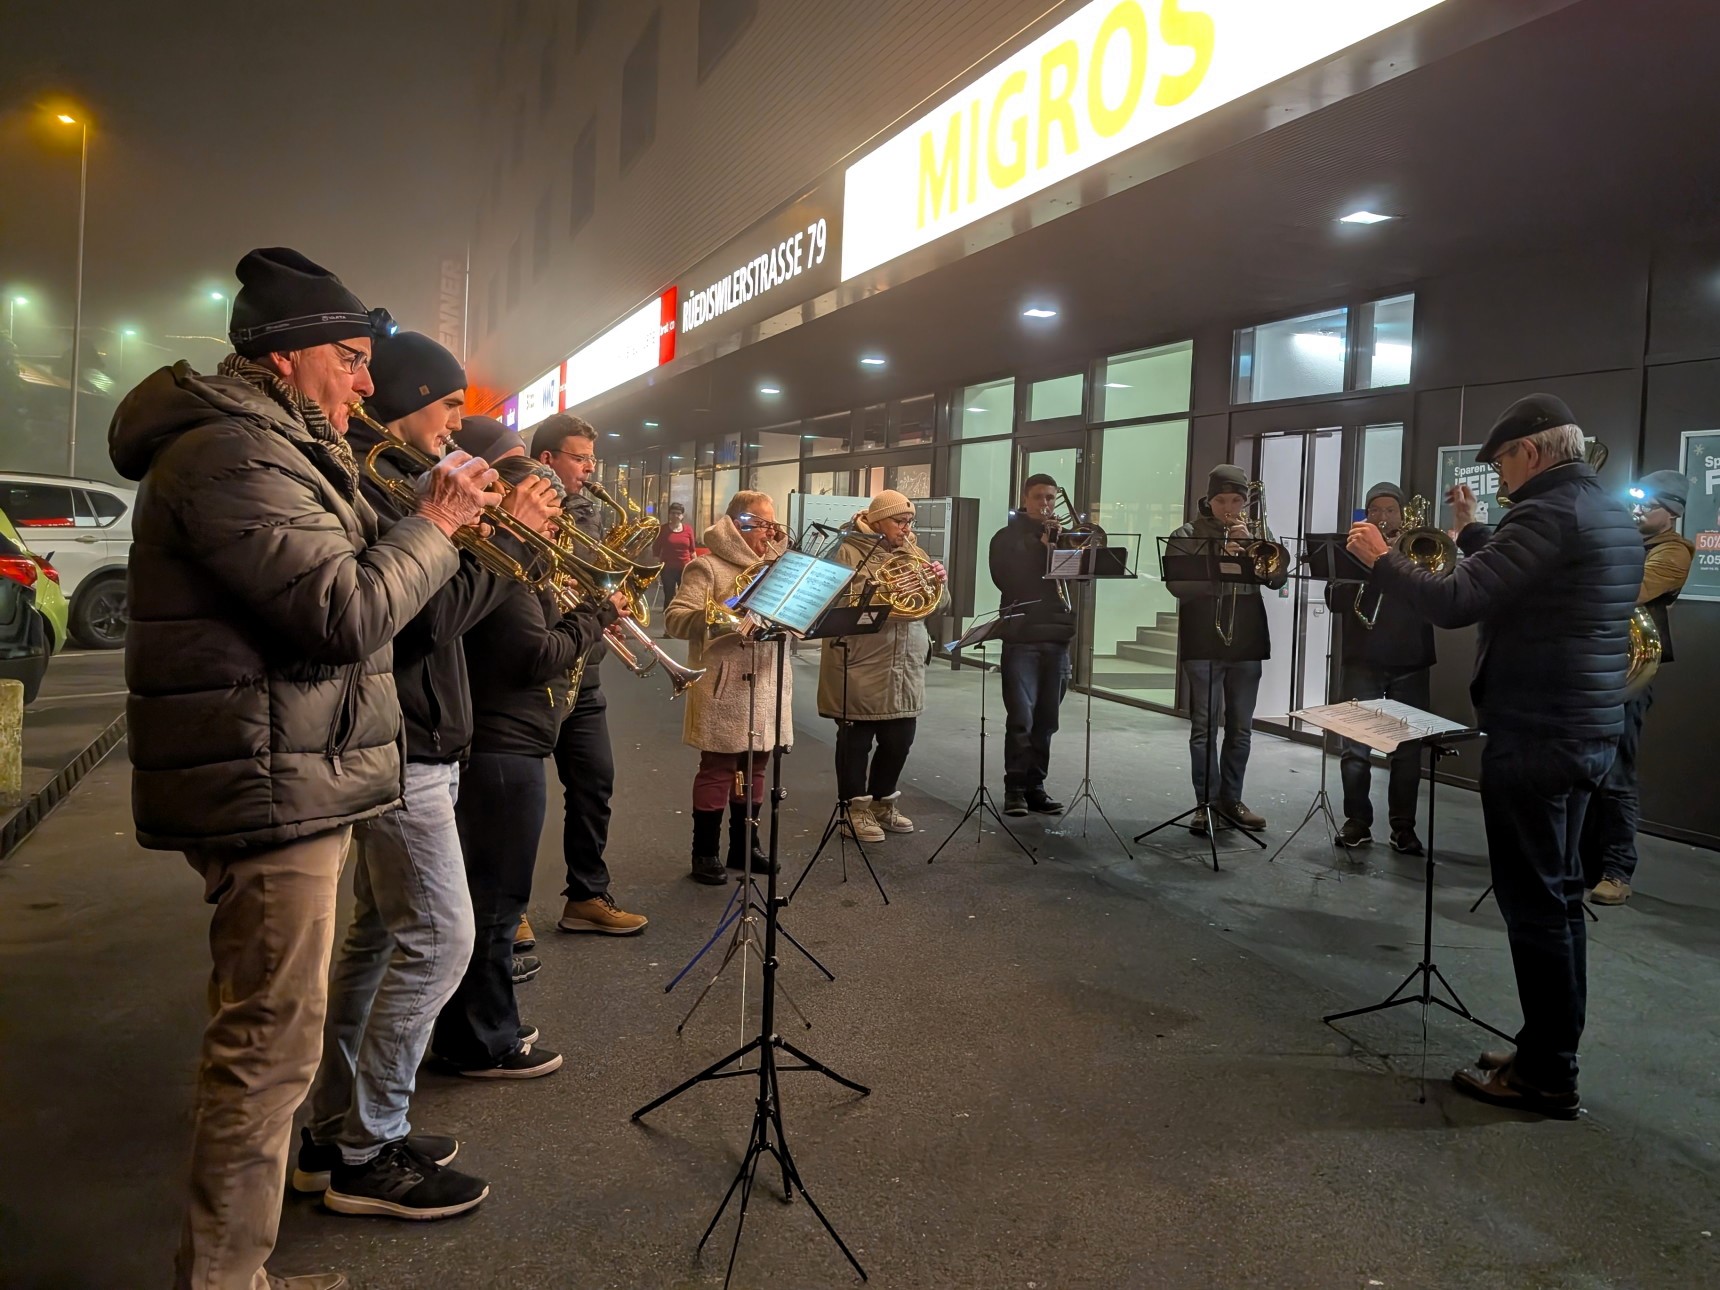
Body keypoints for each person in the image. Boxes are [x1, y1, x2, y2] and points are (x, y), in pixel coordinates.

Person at [109, 247, 498, 1289]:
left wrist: (432, 515)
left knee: (278, 1041)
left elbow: (369, 577)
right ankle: (226, 1278)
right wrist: (441, 520)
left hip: (292, 770)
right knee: (265, 1052)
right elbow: (343, 612)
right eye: (354, 360)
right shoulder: (232, 457)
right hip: (268, 782)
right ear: (289, 359)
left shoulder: (277, 446)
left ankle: (243, 1263)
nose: (368, 385)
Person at [293, 335, 562, 1220]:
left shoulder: (404, 478)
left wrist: (494, 537)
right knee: (440, 939)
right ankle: (369, 1148)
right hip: (403, 744)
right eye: (449, 407)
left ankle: (339, 1131)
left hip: (419, 739)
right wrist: (503, 537)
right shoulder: (384, 482)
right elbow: (423, 624)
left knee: (376, 944)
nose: (458, 423)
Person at [1347, 393, 1642, 1118]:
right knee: (1560, 899)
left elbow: (1456, 603)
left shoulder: (1544, 513)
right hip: (1586, 729)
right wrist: (1474, 531)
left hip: (1537, 733)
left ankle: (1546, 1077)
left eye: (1503, 461)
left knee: (1535, 907)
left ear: (1533, 451)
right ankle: (1546, 1050)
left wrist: (1383, 562)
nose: (1501, 476)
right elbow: (1528, 583)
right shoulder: (1601, 510)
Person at [430, 505, 626, 1077]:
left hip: (508, 742)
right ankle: (482, 1041)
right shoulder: (505, 569)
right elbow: (534, 657)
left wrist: (580, 616)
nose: (558, 518)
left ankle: (481, 1023)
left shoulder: (520, 568)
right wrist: (590, 619)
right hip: (501, 747)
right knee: (496, 902)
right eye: (545, 506)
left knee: (492, 900)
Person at [530, 412, 649, 935]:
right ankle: (504, 910)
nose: (589, 469)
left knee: (594, 785)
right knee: (518, 799)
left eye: (591, 459)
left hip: (586, 670)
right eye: (580, 458)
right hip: (536, 674)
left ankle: (587, 895)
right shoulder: (526, 507)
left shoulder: (590, 513)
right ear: (547, 460)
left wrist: (606, 613)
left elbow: (590, 579)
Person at [1579, 469, 1693, 904]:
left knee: (1618, 775)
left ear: (1673, 514)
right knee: (1588, 768)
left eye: (1650, 505)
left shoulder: (1673, 552)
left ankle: (1617, 871)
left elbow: (1630, 590)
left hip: (1630, 673)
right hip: (1599, 664)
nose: (1639, 510)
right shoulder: (1630, 542)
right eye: (1637, 502)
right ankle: (1585, 863)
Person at [666, 491, 790, 882]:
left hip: (768, 681)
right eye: (763, 524)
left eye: (773, 524)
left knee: (756, 767)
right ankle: (704, 852)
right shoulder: (707, 567)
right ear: (739, 524)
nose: (771, 533)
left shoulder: (781, 567)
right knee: (718, 768)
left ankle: (744, 847)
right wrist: (721, 617)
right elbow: (675, 619)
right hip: (724, 684)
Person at [816, 489, 949, 842]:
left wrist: (938, 582)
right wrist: (883, 589)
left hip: (904, 660)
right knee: (856, 740)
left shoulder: (913, 551)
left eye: (909, 522)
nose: (906, 528)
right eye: (899, 521)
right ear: (876, 520)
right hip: (862, 659)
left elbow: (935, 604)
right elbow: (834, 602)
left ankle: (882, 803)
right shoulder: (846, 549)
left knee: (900, 738)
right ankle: (853, 809)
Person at [1165, 464, 1286, 834]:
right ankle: (1204, 804)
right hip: (1203, 638)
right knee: (1204, 727)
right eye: (1222, 500)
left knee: (1241, 728)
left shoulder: (1259, 534)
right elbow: (1177, 586)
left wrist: (1251, 547)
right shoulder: (1186, 534)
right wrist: (1219, 561)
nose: (1229, 507)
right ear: (1209, 499)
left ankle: (1231, 801)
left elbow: (1277, 578)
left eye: (1237, 500)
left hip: (1247, 639)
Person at [1324, 482, 1436, 854]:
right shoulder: (1350, 548)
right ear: (1365, 515)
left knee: (1407, 750)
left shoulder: (1418, 551)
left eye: (1390, 511)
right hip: (1362, 658)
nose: (1383, 517)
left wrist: (1391, 563)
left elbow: (1436, 596)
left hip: (1410, 659)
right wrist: (1361, 571)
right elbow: (1334, 600)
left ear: (1403, 516)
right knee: (1355, 747)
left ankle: (1403, 827)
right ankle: (1357, 821)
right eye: (1375, 511)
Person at [988, 473, 1074, 817]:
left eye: (1051, 497)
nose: (1046, 504)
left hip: (1058, 636)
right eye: (1039, 497)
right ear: (1025, 498)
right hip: (1022, 637)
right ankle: (1015, 789)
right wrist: (1038, 547)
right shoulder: (1006, 538)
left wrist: (1062, 547)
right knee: (1021, 717)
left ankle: (1036, 786)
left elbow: (1079, 579)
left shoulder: (1065, 538)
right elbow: (1005, 579)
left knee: (1047, 720)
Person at [654, 500, 697, 625]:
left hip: (685, 568)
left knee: (684, 597)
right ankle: (668, 625)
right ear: (669, 515)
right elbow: (656, 550)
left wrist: (696, 568)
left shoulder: (688, 530)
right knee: (669, 596)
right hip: (667, 569)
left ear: (682, 516)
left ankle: (683, 624)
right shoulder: (663, 529)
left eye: (678, 513)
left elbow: (692, 551)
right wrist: (656, 570)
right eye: (673, 513)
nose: (675, 516)